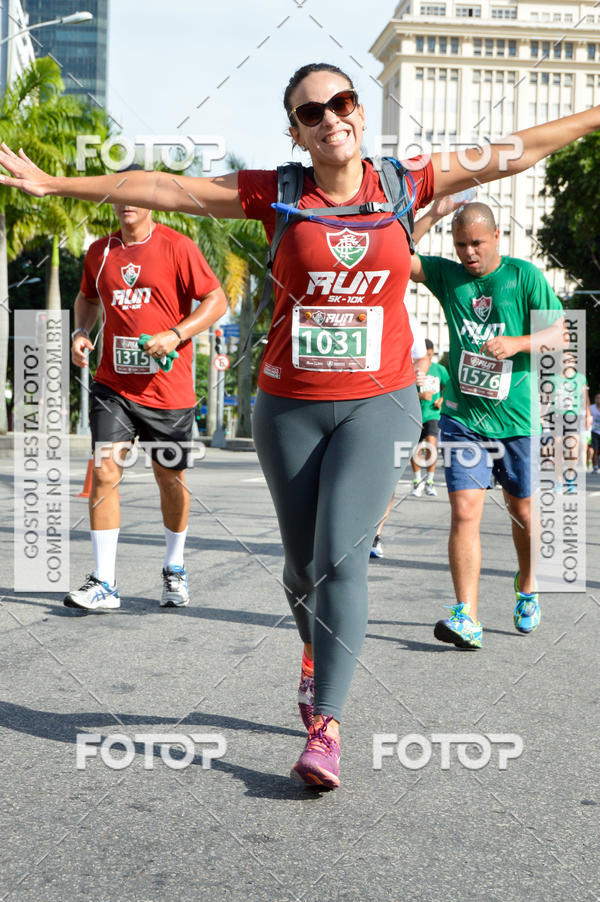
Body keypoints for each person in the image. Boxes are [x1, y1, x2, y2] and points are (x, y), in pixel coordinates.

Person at [2, 63, 599, 789]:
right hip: (288, 404)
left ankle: (327, 726)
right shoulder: (277, 192)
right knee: (300, 568)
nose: (330, 117)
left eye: (341, 102)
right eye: (311, 111)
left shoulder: (405, 180)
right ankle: (314, 655)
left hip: (382, 401)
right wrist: (57, 185)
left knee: (342, 557)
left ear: (357, 111)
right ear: (297, 130)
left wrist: (594, 116)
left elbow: (516, 148)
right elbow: (162, 189)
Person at [65, 182, 227, 611]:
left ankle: (174, 568)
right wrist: (82, 332)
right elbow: (86, 298)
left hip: (168, 392)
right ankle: (104, 581)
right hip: (113, 386)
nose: (126, 202)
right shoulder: (100, 252)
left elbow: (217, 300)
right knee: (103, 473)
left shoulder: (178, 247)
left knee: (169, 479)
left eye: (136, 193)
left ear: (153, 202)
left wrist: (176, 334)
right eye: (119, 194)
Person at [410, 202, 564, 649]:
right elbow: (397, 255)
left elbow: (559, 333)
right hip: (464, 420)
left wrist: (517, 343)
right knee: (464, 512)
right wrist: (431, 214)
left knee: (523, 514)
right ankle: (467, 617)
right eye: (460, 245)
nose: (468, 253)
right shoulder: (448, 275)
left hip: (519, 421)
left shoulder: (523, 276)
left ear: (497, 236)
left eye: (476, 243)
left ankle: (528, 587)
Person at [410, 339, 449, 498]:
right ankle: (417, 481)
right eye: (425, 355)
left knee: (431, 445)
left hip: (433, 414)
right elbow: (406, 391)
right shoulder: (414, 370)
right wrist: (420, 395)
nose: (428, 358)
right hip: (415, 414)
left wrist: (442, 399)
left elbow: (448, 386)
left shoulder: (439, 369)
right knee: (416, 448)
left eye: (430, 355)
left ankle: (430, 482)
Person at [590, 392, 600, 472]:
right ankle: (595, 467)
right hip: (594, 431)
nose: (598, 400)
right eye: (597, 398)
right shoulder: (591, 408)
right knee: (595, 450)